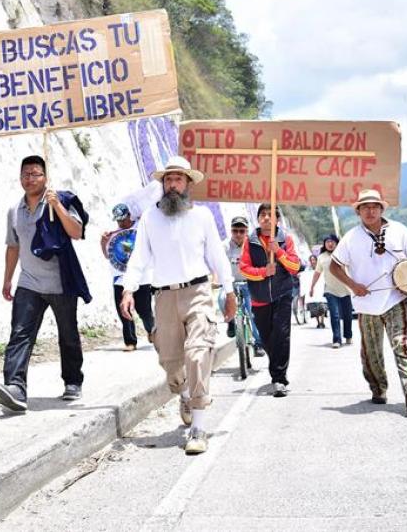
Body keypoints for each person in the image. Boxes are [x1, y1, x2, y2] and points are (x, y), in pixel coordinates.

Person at [121, 156, 235, 455]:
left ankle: (198, 426)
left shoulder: (203, 218)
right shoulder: (149, 218)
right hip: (163, 297)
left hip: (198, 291)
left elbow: (217, 257)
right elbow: (139, 258)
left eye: (178, 179)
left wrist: (230, 289)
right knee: (170, 364)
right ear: (163, 184)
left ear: (188, 184)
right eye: (168, 180)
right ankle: (184, 395)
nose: (172, 184)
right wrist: (128, 289)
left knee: (197, 354)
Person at [0, 155, 91, 412]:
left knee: (67, 334)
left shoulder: (60, 201)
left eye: (35, 174)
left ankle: (72, 381)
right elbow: (13, 246)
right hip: (29, 283)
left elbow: (76, 232)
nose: (29, 178)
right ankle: (15, 389)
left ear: (46, 177)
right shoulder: (15, 210)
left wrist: (57, 206)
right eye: (25, 174)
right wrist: (7, 279)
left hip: (61, 283)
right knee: (20, 335)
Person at [329, 189, 407, 415]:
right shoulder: (351, 238)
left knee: (402, 343)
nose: (370, 211)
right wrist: (353, 285)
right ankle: (378, 389)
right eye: (365, 207)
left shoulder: (399, 231)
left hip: (396, 299)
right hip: (366, 306)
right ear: (358, 211)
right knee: (371, 353)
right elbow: (334, 266)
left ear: (381, 209)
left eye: (374, 206)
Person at [238, 203, 301, 397]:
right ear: (258, 219)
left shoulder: (286, 240)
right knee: (266, 339)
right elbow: (243, 268)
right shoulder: (250, 241)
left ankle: (279, 379)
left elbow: (295, 267)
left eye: (270, 215)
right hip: (259, 298)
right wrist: (263, 272)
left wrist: (279, 252)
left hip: (282, 294)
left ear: (277, 220)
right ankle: (277, 363)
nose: (266, 218)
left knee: (282, 336)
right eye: (262, 215)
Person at [101, 203, 155, 351]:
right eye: (118, 220)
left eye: (123, 219)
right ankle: (130, 341)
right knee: (123, 310)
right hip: (120, 277)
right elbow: (108, 255)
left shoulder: (142, 227)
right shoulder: (114, 233)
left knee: (145, 311)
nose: (120, 223)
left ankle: (151, 330)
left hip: (142, 278)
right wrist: (103, 242)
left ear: (129, 215)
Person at [221, 216, 265, 357]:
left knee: (253, 313)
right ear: (231, 231)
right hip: (231, 284)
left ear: (246, 231)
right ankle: (231, 322)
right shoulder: (225, 246)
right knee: (221, 299)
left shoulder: (253, 246)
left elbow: (260, 264)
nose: (238, 234)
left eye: (242, 230)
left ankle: (258, 344)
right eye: (235, 231)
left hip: (249, 283)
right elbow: (219, 266)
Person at [311, 234, 353, 348]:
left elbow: (351, 269)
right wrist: (312, 287)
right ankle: (337, 340)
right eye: (327, 242)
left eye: (332, 242)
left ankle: (348, 335)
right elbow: (317, 273)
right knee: (334, 315)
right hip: (330, 290)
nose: (330, 244)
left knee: (347, 315)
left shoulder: (343, 255)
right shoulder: (321, 257)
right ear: (324, 244)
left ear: (336, 243)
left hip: (346, 290)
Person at [300, 254, 327, 328]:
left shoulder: (321, 268)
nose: (313, 261)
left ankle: (322, 322)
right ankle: (318, 322)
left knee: (322, 307)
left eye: (314, 260)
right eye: (311, 260)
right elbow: (305, 279)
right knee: (314, 308)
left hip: (320, 290)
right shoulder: (307, 270)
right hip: (312, 291)